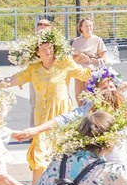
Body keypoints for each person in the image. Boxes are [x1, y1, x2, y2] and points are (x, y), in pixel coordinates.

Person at [11, 32, 90, 175]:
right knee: (40, 154)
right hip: (42, 115)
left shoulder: (64, 63)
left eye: (51, 48)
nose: (48, 52)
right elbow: (14, 79)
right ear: (37, 52)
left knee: (64, 152)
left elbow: (85, 75)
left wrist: (99, 68)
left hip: (62, 113)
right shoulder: (33, 68)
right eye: (44, 49)